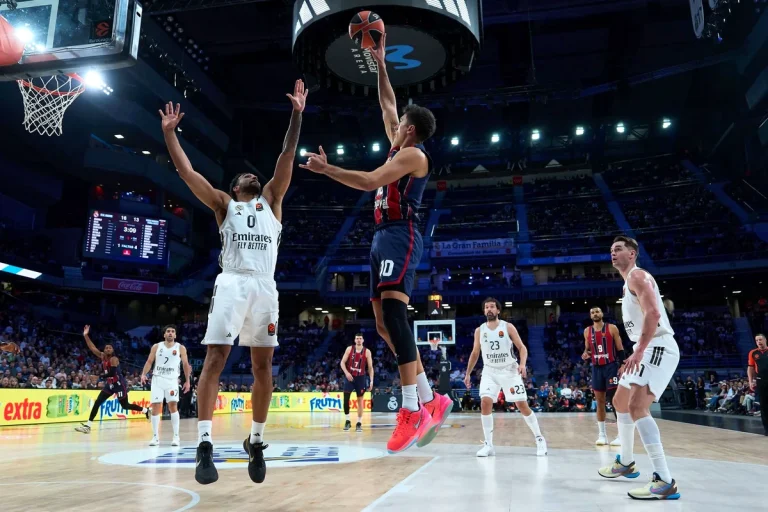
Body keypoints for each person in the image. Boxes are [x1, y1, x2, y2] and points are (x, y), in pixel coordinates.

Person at [300, 34, 452, 454]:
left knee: (395, 315)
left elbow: (368, 182)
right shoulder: (397, 141)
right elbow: (386, 103)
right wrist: (381, 64)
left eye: (402, 121)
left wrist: (328, 169)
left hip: (402, 234)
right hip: (382, 236)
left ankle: (411, 410)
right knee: (383, 325)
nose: (395, 119)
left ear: (411, 130)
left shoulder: (414, 155)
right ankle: (430, 398)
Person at [160, 79, 308, 485]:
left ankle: (256, 441)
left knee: (264, 366)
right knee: (215, 360)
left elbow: (287, 153)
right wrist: (171, 135)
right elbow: (187, 172)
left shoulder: (273, 199)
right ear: (234, 189)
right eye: (242, 174)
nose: (249, 173)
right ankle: (204, 444)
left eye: (251, 173)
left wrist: (296, 114)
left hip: (265, 286)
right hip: (233, 283)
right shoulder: (223, 204)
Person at [597, 236, 680, 500]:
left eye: (618, 249)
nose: (613, 253)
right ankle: (626, 463)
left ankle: (664, 480)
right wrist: (635, 353)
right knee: (620, 402)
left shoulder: (638, 276)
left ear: (632, 254)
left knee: (637, 407)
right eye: (611, 250)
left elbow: (654, 314)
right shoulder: (626, 283)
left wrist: (640, 351)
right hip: (642, 348)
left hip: (657, 346)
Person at [463, 297, 547, 457]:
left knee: (521, 404)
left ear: (498, 310)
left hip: (509, 370)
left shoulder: (507, 327)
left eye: (492, 307)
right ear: (484, 311)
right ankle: (488, 444)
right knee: (485, 402)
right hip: (489, 370)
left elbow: (522, 348)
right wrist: (467, 373)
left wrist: (522, 365)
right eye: (486, 307)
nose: (489, 309)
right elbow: (475, 353)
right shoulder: (480, 330)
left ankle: (539, 438)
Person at [75, 325, 149, 433]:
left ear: (112, 350)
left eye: (110, 348)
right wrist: (86, 335)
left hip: (119, 385)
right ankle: (88, 426)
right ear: (104, 350)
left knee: (125, 406)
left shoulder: (114, 359)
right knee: (97, 403)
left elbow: (112, 373)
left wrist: (99, 377)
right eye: (106, 348)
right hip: (110, 385)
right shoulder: (102, 356)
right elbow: (92, 348)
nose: (108, 349)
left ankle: (146, 410)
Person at [140, 324, 192, 446]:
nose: (170, 333)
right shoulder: (156, 346)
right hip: (157, 379)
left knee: (173, 406)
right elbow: (149, 361)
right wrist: (143, 374)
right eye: (168, 331)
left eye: (172, 331)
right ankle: (155, 437)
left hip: (172, 380)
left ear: (175, 335)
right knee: (156, 407)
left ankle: (176, 437)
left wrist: (187, 381)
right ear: (164, 334)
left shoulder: (181, 347)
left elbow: (185, 364)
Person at [582, 306, 625, 446]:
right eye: (592, 312)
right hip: (596, 368)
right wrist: (586, 354)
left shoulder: (612, 328)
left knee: (615, 401)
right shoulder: (587, 331)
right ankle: (602, 435)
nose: (595, 314)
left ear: (602, 313)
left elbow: (620, 348)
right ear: (590, 316)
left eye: (597, 311)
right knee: (599, 401)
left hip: (611, 367)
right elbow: (587, 350)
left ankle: (621, 435)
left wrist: (623, 364)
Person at [340, 333, 373, 432]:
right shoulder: (349, 349)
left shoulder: (367, 352)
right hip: (350, 377)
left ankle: (359, 423)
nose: (358, 340)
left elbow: (370, 368)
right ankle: (347, 421)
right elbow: (342, 362)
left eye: (360, 338)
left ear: (363, 340)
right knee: (346, 399)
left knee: (360, 401)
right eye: (357, 338)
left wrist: (371, 381)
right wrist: (346, 373)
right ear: (355, 340)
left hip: (361, 378)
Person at [747, 333, 768, 435]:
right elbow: (750, 368)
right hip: (761, 380)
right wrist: (751, 381)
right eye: (757, 340)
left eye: (760, 340)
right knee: (764, 405)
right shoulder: (753, 353)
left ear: (765, 340)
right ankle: (767, 429)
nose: (759, 342)